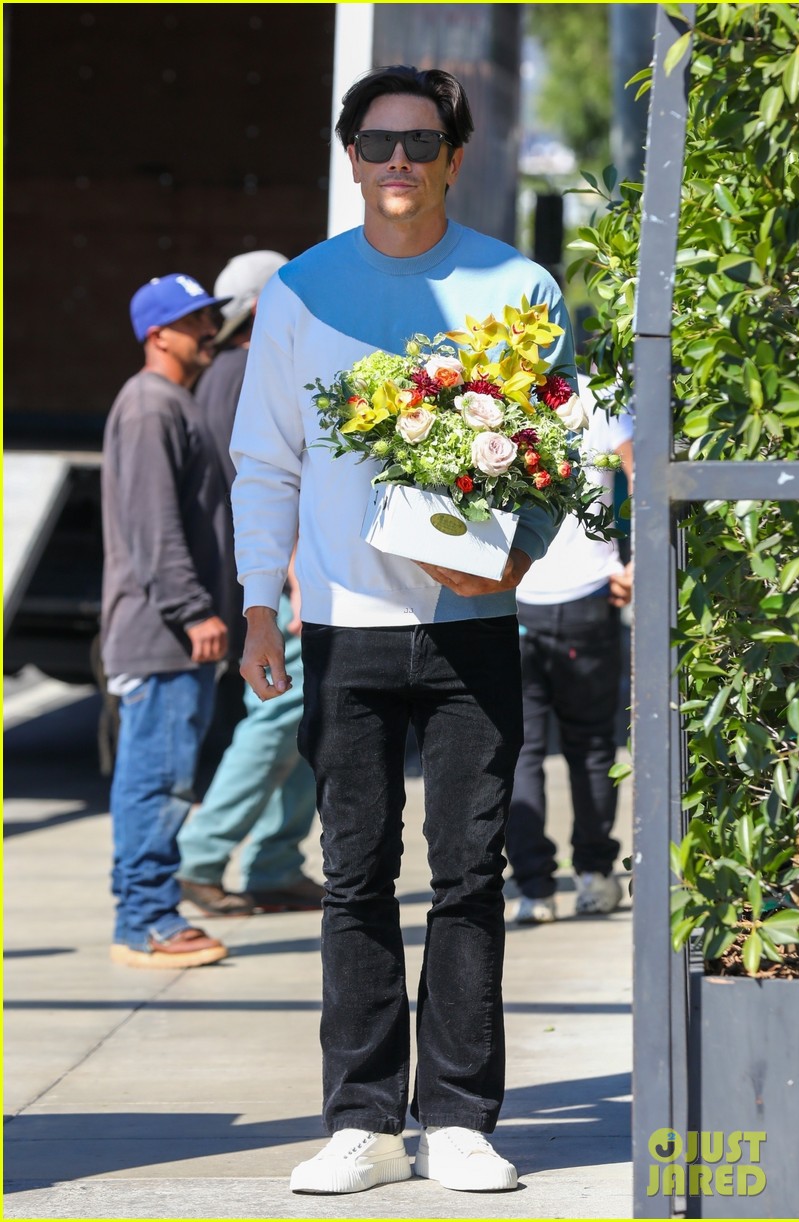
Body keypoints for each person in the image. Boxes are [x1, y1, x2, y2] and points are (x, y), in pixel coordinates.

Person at [230, 66, 574, 1194]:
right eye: (375, 142)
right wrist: (257, 606)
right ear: (348, 153)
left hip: (472, 621)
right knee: (353, 879)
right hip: (341, 624)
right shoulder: (300, 292)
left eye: (419, 145)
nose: (396, 163)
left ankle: (461, 1117)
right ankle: (366, 1121)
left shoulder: (515, 285)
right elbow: (264, 461)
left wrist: (516, 553)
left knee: (470, 874)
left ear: (453, 158)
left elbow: (556, 449)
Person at [176, 251, 323, 917]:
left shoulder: (225, 372)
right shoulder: (249, 372)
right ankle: (203, 857)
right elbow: (264, 484)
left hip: (272, 571)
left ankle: (274, 862)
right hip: (280, 574)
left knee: (305, 717)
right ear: (266, 309)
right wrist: (290, 566)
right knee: (279, 715)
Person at [101, 272, 233, 969]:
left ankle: (142, 912)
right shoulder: (151, 406)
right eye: (194, 322)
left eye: (208, 319)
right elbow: (155, 529)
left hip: (166, 635)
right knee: (158, 781)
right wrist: (193, 612)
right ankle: (147, 920)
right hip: (162, 635)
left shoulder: (165, 402)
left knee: (156, 776)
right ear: (159, 334)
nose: (208, 331)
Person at [506, 384, 633, 923]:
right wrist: (638, 564)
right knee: (590, 747)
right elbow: (644, 474)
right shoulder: (602, 396)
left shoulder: (489, 393)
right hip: (581, 593)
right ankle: (594, 875)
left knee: (520, 750)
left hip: (514, 592)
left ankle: (536, 888)